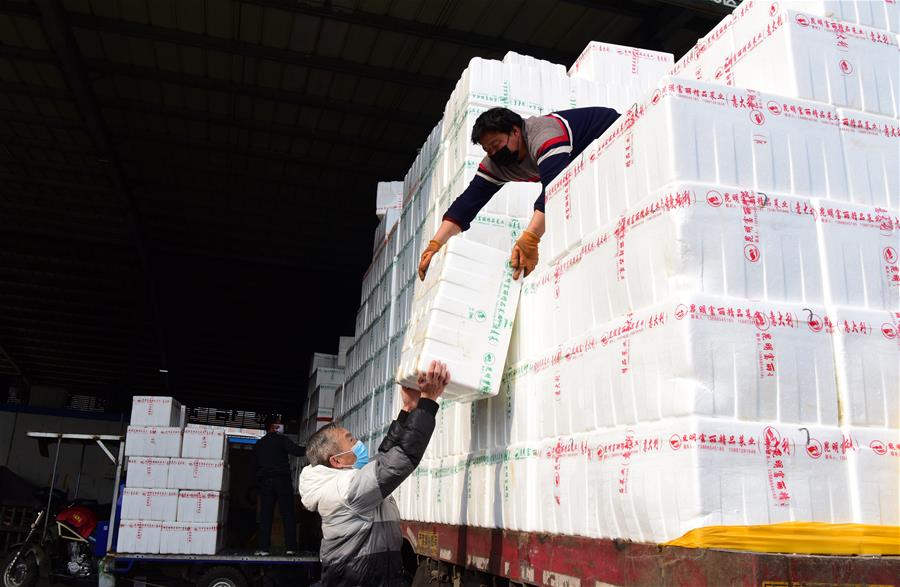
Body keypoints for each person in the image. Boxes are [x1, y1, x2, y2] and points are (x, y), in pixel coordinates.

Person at [418, 106, 621, 281]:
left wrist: (530, 238)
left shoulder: (544, 135)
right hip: (582, 166)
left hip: (613, 135)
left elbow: (555, 189)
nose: (494, 153)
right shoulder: (497, 163)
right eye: (488, 150)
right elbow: (468, 203)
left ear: (515, 131)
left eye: (496, 145)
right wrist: (435, 244)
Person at [298, 361, 450, 587]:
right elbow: (400, 459)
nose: (358, 443)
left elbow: (383, 458)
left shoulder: (339, 484)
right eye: (350, 440)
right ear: (337, 461)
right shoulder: (344, 490)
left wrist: (408, 410)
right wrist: (428, 402)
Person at [253, 415, 306, 556]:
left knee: (266, 515)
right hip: (282, 481)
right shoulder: (282, 440)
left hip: (266, 482)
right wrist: (312, 447)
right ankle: (291, 548)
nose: (280, 426)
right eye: (278, 424)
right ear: (273, 426)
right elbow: (298, 452)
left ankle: (264, 548)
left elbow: (255, 465)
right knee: (287, 514)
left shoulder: (260, 444)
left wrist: (260, 481)